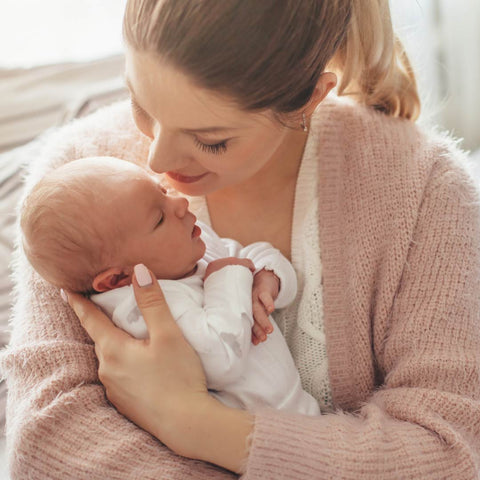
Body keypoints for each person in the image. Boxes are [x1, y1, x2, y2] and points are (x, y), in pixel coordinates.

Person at [2, 0, 480, 478]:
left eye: (210, 140)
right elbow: (46, 447)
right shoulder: (78, 182)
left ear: (310, 98)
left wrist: (193, 424)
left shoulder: (426, 191)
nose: (156, 159)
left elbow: (451, 452)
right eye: (141, 106)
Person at [20, 156, 320, 415]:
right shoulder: (141, 310)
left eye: (162, 191)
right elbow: (221, 362)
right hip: (255, 437)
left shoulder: (191, 251)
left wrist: (268, 278)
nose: (179, 203)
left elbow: (256, 254)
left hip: (300, 412)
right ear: (117, 279)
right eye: (159, 219)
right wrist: (227, 276)